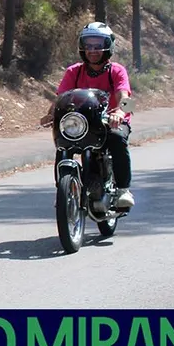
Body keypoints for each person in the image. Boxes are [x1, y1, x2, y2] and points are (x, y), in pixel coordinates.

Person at [39, 22, 135, 209]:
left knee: (117, 138)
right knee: (63, 144)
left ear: (109, 46)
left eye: (98, 45)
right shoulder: (73, 71)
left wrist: (121, 113)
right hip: (83, 123)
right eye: (88, 45)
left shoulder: (116, 71)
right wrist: (50, 114)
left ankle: (123, 189)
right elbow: (61, 97)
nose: (93, 50)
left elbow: (126, 98)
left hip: (111, 122)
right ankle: (64, 191)